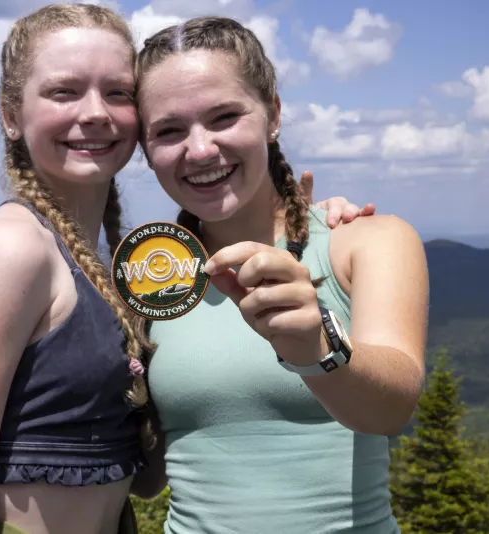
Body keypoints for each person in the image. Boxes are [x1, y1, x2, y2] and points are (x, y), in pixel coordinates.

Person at [0, 5, 373, 534]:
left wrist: (306, 225)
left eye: (117, 93)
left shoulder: (103, 266)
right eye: (64, 91)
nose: (95, 113)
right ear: (10, 115)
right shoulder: (13, 245)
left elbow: (145, 477)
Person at [130, 16, 429, 533]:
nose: (199, 149)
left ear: (273, 115)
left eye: (224, 116)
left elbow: (390, 410)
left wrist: (314, 345)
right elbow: (149, 477)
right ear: (146, 149)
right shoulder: (151, 278)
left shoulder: (365, 241)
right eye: (169, 130)